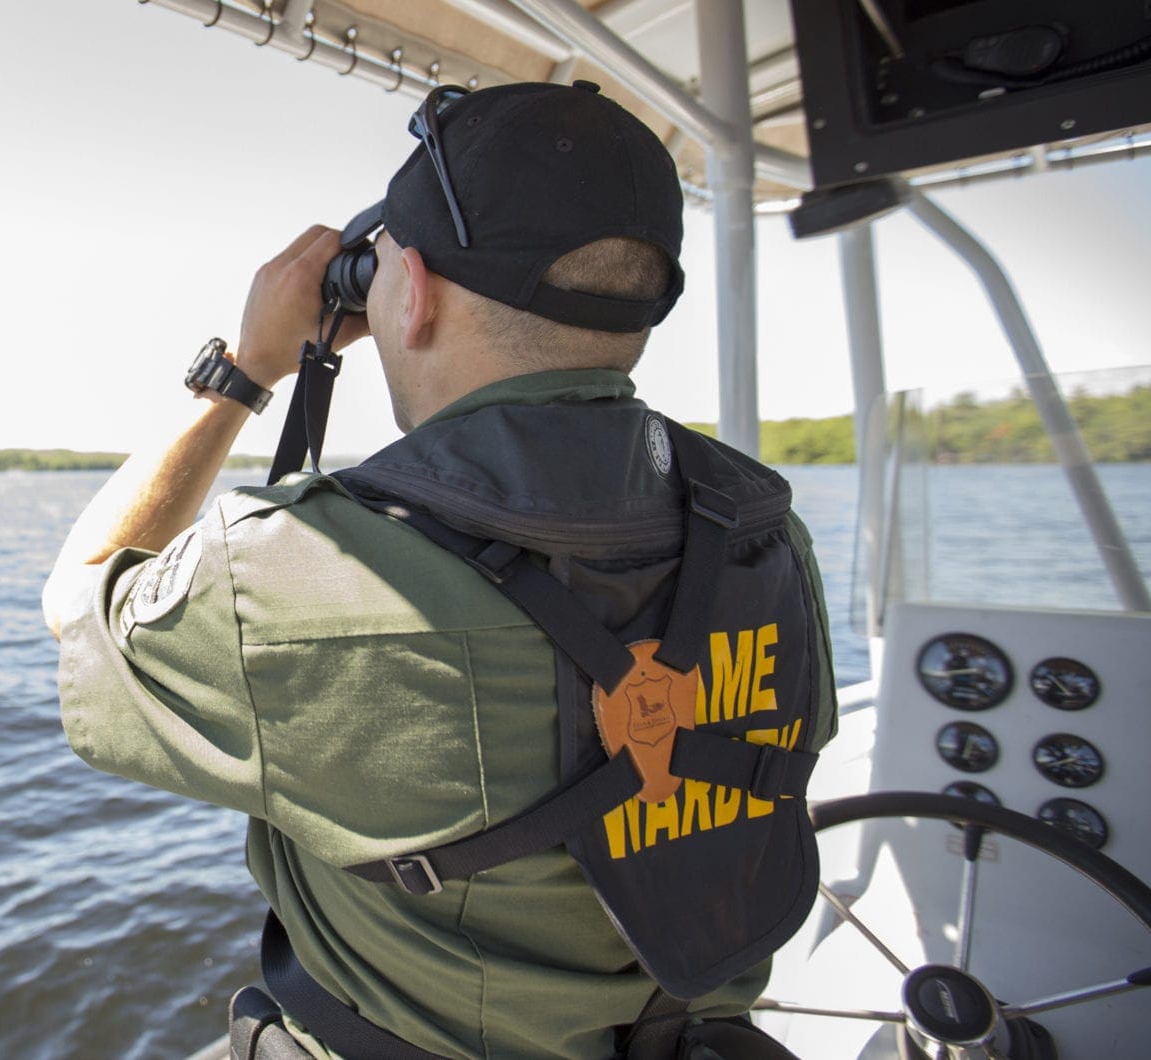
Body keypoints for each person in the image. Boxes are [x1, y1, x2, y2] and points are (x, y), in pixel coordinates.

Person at [42, 81, 837, 1060]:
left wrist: (243, 369)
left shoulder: (300, 573)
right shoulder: (758, 529)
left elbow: (77, 601)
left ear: (408, 293)